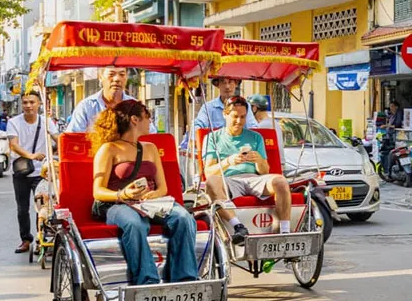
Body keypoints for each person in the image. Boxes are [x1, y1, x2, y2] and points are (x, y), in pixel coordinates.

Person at [89, 100, 198, 286]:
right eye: (148, 117)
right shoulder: (109, 149)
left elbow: (162, 187)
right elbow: (98, 191)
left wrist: (153, 195)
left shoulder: (150, 148)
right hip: (116, 204)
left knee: (184, 217)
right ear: (134, 119)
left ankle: (184, 278)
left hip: (149, 202)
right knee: (134, 223)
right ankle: (147, 280)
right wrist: (122, 194)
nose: (150, 122)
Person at [203, 96, 292, 245]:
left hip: (254, 178)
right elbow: (209, 172)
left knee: (281, 181)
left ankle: (285, 231)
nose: (239, 121)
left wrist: (259, 160)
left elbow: (264, 172)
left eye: (243, 117)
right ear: (225, 114)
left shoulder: (256, 137)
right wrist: (228, 162)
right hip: (228, 180)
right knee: (211, 182)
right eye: (235, 117)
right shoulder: (212, 138)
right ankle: (238, 226)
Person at [7, 92, 59, 254]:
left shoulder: (46, 122)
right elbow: (14, 145)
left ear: (39, 104)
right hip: (21, 172)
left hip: (42, 173)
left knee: (42, 207)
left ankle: (40, 239)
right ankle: (25, 239)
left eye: (32, 102)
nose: (28, 105)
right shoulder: (14, 122)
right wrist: (31, 156)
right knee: (22, 209)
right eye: (25, 102)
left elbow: (59, 139)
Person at [181, 77, 258, 152]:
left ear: (236, 83)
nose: (227, 86)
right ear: (217, 84)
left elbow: (253, 128)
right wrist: (196, 139)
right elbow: (197, 125)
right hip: (216, 151)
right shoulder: (208, 107)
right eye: (223, 82)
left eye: (230, 82)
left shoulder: (245, 106)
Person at [66, 67, 146, 134]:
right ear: (100, 77)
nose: (117, 79)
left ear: (126, 78)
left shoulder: (136, 107)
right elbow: (72, 138)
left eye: (122, 74)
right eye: (111, 74)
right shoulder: (86, 107)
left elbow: (150, 135)